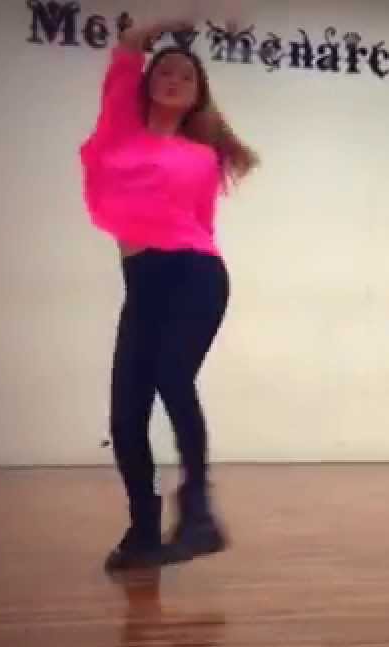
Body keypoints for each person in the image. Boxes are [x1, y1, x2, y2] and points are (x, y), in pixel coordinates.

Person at [80, 16, 259, 572]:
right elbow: (130, 45)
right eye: (165, 71)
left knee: (171, 377)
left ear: (198, 94)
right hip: (143, 283)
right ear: (146, 82)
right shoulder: (118, 130)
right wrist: (179, 15)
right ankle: (143, 532)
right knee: (125, 415)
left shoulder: (202, 157)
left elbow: (200, 228)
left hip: (194, 275)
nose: (174, 78)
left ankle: (198, 510)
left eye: (187, 75)